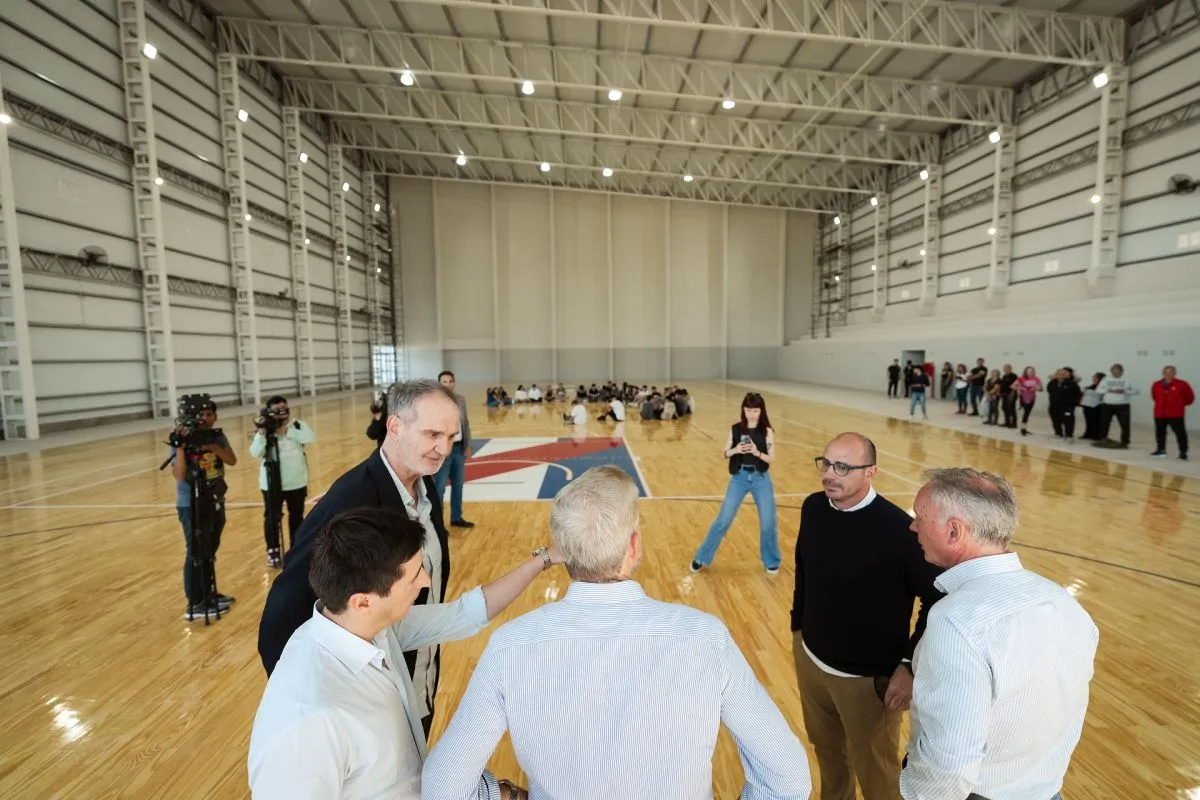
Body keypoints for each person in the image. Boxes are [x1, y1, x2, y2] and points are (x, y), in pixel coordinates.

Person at [421, 466, 812, 800]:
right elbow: (788, 777)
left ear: (563, 550)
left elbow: (442, 788)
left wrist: (502, 794)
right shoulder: (705, 637)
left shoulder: (510, 644)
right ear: (634, 545)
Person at [248, 506, 562, 799]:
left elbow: (463, 614)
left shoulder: (368, 626)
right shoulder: (307, 721)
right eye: (414, 576)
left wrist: (545, 558)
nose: (425, 581)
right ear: (364, 601)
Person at [258, 379, 456, 737]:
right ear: (394, 426)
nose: (443, 449)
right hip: (369, 705)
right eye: (432, 435)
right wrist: (310, 702)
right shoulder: (352, 501)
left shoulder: (424, 485)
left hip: (418, 680)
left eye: (451, 437)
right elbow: (284, 609)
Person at [902, 468, 1099, 800]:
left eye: (920, 518)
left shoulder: (956, 622)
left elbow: (949, 767)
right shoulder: (1064, 602)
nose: (913, 526)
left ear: (954, 531)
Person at [793, 433, 943, 800]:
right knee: (828, 753)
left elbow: (936, 600)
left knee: (876, 772)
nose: (830, 474)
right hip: (811, 660)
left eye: (843, 467)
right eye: (826, 463)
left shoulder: (900, 532)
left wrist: (908, 665)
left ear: (871, 472)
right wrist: (798, 628)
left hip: (865, 680)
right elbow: (803, 569)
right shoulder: (813, 507)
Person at [690, 392, 780, 574]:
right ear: (743, 410)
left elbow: (772, 458)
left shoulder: (767, 431)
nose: (752, 414)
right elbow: (724, 453)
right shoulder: (735, 429)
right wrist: (736, 449)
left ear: (761, 411)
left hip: (761, 479)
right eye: (748, 410)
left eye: (755, 410)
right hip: (739, 478)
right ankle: (702, 557)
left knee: (768, 522)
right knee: (723, 520)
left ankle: (771, 560)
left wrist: (756, 452)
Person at [170, 397, 238, 619]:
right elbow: (179, 476)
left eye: (209, 414)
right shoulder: (181, 438)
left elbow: (231, 460)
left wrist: (212, 447)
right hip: (191, 503)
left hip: (214, 497)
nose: (205, 419)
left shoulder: (216, 436)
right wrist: (181, 449)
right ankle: (195, 601)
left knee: (210, 548)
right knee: (196, 551)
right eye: (200, 415)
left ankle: (208, 592)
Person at [250, 395, 316, 567]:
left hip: (296, 482)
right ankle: (272, 550)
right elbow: (255, 452)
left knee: (297, 517)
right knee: (272, 518)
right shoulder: (264, 430)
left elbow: (310, 438)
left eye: (283, 408)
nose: (280, 412)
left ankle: (296, 548)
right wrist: (262, 433)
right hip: (271, 483)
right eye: (276, 410)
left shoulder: (297, 425)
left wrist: (287, 432)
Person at [434, 371, 474, 529]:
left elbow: (466, 423)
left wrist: (468, 444)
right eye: (444, 381)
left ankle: (456, 518)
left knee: (458, 485)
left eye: (450, 381)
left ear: (454, 383)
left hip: (458, 448)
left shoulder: (460, 400)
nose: (448, 384)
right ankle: (438, 525)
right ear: (439, 383)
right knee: (440, 488)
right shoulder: (433, 402)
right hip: (443, 450)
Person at [1151, 365, 1193, 460]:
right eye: (1165, 372)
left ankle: (1183, 452)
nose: (1168, 374)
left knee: (1180, 433)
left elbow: (1189, 398)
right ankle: (1161, 450)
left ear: (1174, 373)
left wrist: (1178, 405)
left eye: (1170, 372)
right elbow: (1154, 397)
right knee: (1160, 433)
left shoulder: (1182, 384)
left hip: (1175, 414)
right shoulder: (1156, 384)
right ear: (1163, 373)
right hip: (1160, 413)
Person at [1094, 363, 1137, 449]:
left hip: (1122, 405)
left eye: (1118, 371)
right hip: (1107, 405)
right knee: (1104, 422)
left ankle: (1125, 441)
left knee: (1124, 424)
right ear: (1111, 371)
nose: (1116, 373)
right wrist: (1109, 390)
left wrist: (1124, 391)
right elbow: (1098, 390)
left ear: (1122, 372)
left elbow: (1136, 391)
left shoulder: (1128, 380)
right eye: (1114, 371)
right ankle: (1103, 438)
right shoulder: (1106, 379)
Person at [1046, 368, 1082, 442]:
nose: (1060, 375)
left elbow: (1078, 393)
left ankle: (1069, 435)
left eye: (1062, 374)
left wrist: (1074, 403)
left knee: (1068, 420)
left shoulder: (1071, 383)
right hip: (1054, 406)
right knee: (1056, 420)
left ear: (1066, 375)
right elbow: (1049, 390)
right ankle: (1058, 434)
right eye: (1058, 374)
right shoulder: (1052, 383)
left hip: (1067, 407)